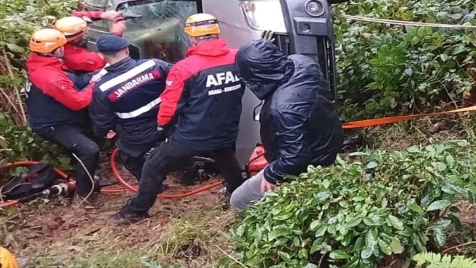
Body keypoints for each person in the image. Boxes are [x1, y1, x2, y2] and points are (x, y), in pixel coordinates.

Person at [112, 13, 245, 222]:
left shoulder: (184, 68)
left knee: (153, 166)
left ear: (192, 38)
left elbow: (170, 106)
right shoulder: (239, 58)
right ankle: (237, 194)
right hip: (226, 130)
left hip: (192, 135)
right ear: (216, 34)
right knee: (227, 161)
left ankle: (135, 211)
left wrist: (161, 127)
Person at [229, 39, 343, 214]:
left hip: (313, 164)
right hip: (328, 144)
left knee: (239, 200)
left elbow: (296, 158)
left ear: (255, 77)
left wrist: (272, 174)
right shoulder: (303, 62)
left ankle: (267, 228)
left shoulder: (280, 109)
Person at [25, 29, 103, 200]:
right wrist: (95, 83)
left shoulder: (40, 63)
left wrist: (93, 76)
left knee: (93, 137)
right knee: (89, 150)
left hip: (58, 116)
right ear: (56, 50)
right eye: (62, 46)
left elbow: (72, 79)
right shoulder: (51, 77)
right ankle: (84, 195)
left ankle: (88, 176)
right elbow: (78, 102)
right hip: (54, 125)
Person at [88, 35, 172, 180]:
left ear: (101, 56)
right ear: (127, 50)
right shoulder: (154, 65)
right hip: (170, 123)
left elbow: (102, 121)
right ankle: (190, 174)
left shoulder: (102, 88)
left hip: (137, 135)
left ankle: (153, 185)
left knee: (130, 158)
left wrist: (103, 132)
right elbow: (180, 78)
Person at [54, 10, 125, 74]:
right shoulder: (77, 58)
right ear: (75, 39)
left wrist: (103, 15)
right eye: (83, 34)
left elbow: (77, 15)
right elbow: (107, 57)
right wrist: (116, 34)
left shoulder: (55, 35)